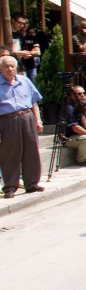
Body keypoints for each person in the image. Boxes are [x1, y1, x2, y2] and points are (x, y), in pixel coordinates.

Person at [0, 56, 43, 198]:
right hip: (7, 120)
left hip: (27, 117)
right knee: (10, 154)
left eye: (12, 66)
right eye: (6, 66)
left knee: (32, 150)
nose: (10, 69)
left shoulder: (24, 81)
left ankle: (31, 183)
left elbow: (34, 102)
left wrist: (38, 120)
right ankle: (10, 187)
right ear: (1, 68)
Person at [10, 13, 40, 82]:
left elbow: (25, 50)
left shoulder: (20, 35)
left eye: (23, 24)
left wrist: (27, 54)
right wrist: (20, 53)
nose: (22, 26)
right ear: (13, 21)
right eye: (20, 23)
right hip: (8, 66)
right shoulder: (5, 33)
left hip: (21, 66)